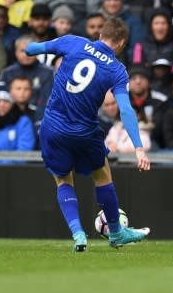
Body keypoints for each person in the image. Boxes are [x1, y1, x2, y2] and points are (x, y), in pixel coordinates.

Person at [23, 18, 151, 252]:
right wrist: (139, 147)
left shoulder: (73, 42)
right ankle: (115, 232)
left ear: (101, 34)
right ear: (121, 42)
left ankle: (78, 234)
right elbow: (125, 109)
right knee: (102, 175)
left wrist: (28, 49)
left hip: (53, 127)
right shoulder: (118, 70)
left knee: (63, 180)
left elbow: (33, 49)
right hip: (85, 132)